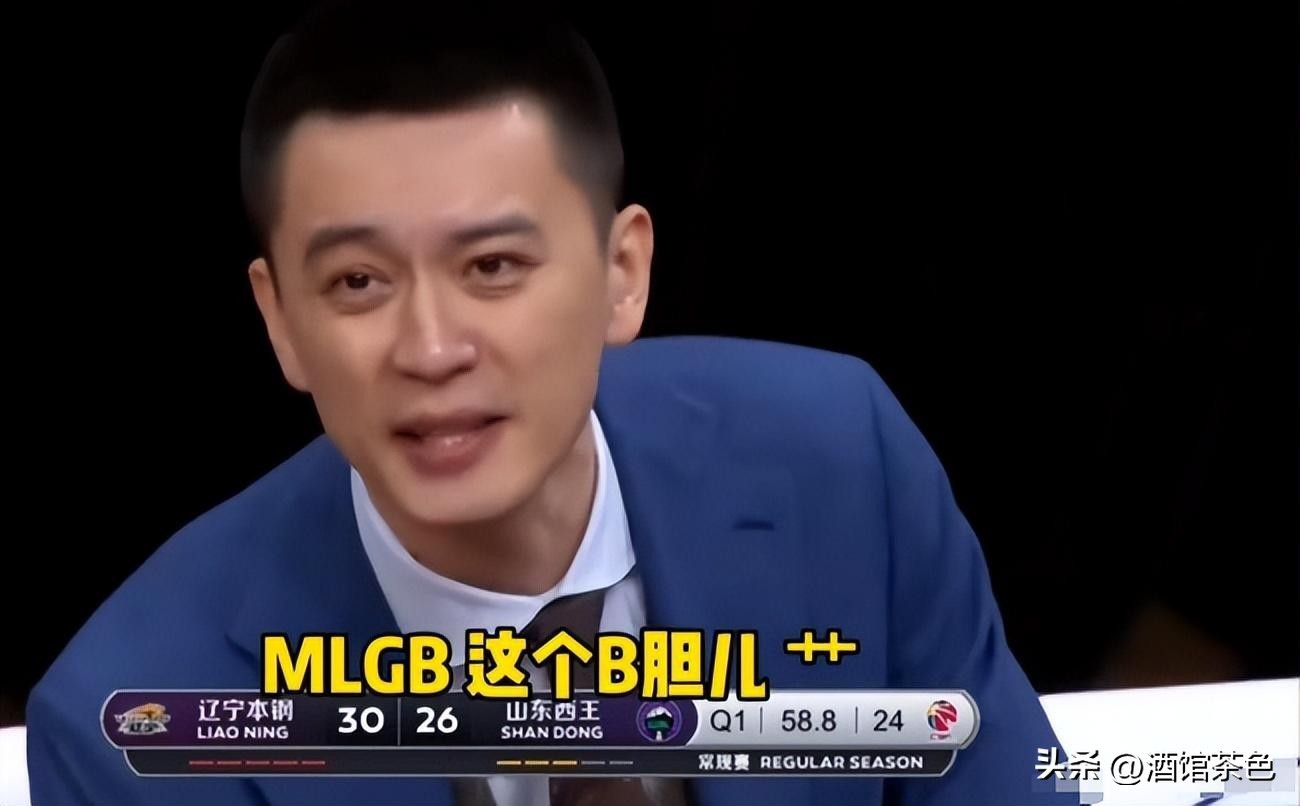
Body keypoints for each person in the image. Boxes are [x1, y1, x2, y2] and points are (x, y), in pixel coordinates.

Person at [25, 2, 1072, 804]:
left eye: (491, 266)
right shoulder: (132, 724)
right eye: (358, 282)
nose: (431, 349)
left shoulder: (841, 458)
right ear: (280, 321)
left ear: (623, 272)